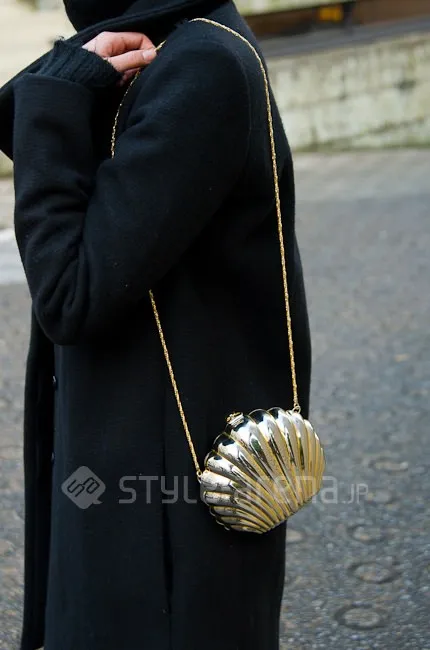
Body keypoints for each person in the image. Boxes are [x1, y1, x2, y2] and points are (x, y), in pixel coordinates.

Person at [0, 1, 312, 648]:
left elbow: (69, 293)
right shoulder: (175, 40)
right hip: (138, 456)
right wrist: (67, 74)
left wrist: (54, 101)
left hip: (159, 503)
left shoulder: (200, 64)